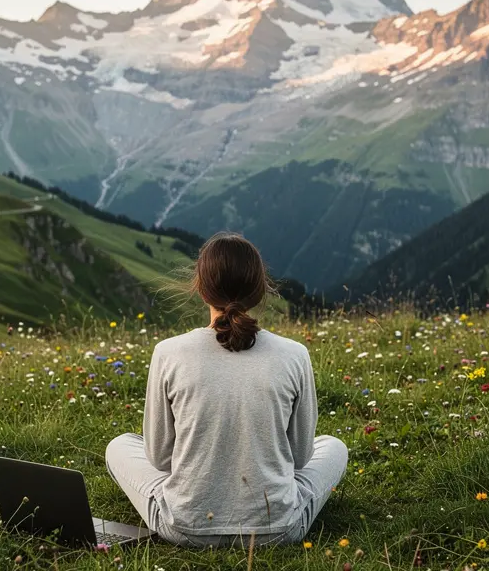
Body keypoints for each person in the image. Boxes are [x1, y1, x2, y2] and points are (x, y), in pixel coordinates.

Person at [106, 232, 347, 548]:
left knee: (120, 445)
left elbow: (160, 458)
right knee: (334, 446)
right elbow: (301, 458)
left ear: (202, 291)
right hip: (277, 531)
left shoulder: (168, 352)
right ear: (260, 292)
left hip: (184, 527)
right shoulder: (294, 354)